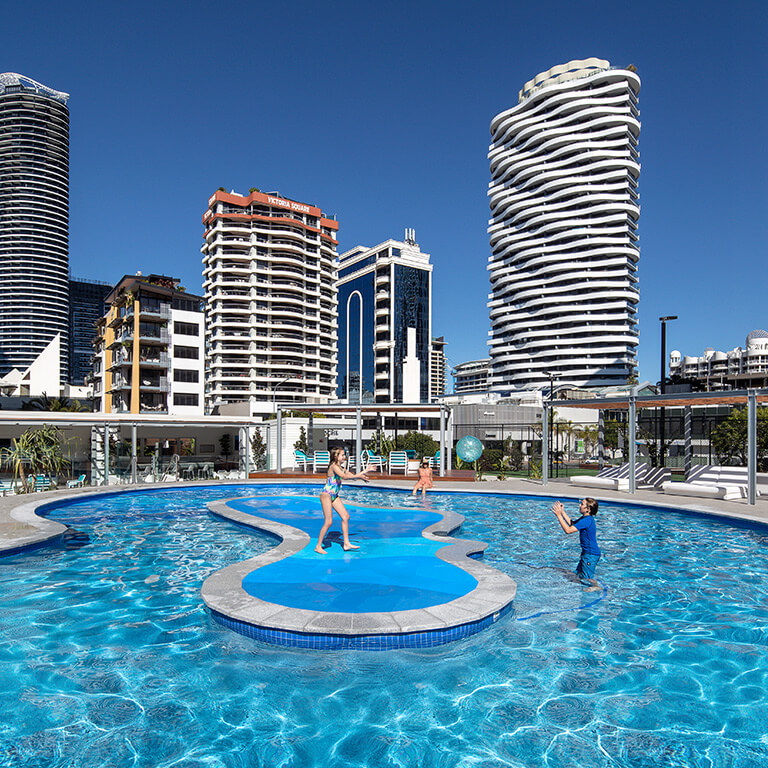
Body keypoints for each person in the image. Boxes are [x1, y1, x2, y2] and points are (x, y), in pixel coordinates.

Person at [314, 447, 372, 554]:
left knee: (345, 516)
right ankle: (318, 546)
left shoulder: (341, 468)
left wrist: (363, 473)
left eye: (344, 455)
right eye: (342, 455)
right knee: (329, 521)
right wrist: (359, 475)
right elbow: (344, 477)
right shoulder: (334, 467)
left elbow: (351, 476)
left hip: (334, 495)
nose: (344, 457)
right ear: (336, 456)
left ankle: (346, 544)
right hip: (326, 495)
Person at [552, 497, 601, 584]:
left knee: (587, 579)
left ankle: (596, 587)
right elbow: (572, 524)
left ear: (588, 509)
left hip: (590, 555)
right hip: (587, 553)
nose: (579, 506)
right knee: (578, 575)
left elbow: (568, 530)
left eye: (582, 504)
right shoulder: (585, 519)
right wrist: (562, 512)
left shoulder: (587, 520)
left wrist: (559, 515)